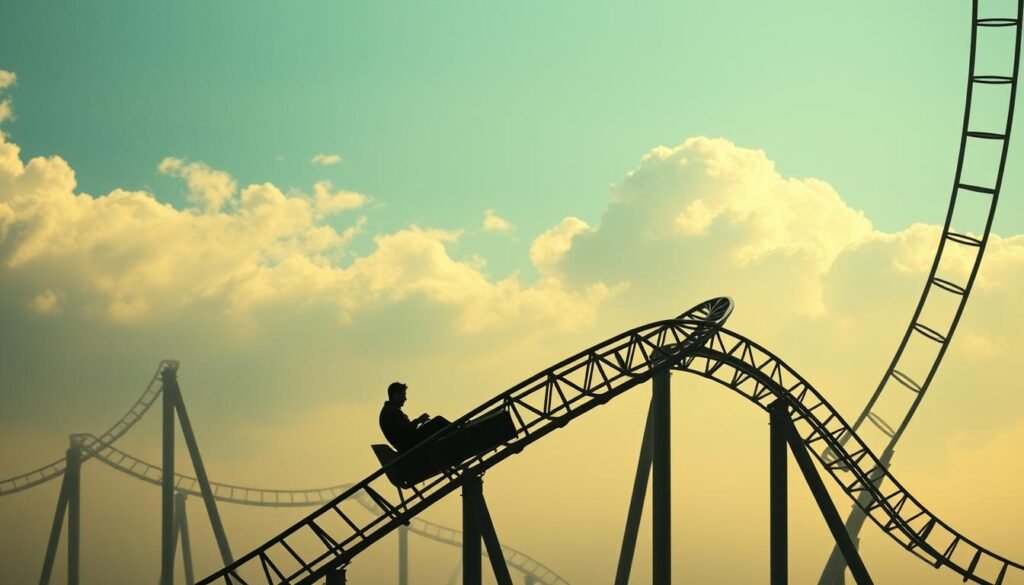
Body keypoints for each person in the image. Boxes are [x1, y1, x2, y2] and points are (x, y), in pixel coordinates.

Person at [379, 381, 451, 452]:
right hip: (410, 444)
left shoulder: (389, 410)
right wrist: (419, 420)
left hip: (408, 443)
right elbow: (407, 431)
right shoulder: (391, 411)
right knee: (438, 421)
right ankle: (459, 430)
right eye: (403, 395)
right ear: (396, 394)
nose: (405, 398)